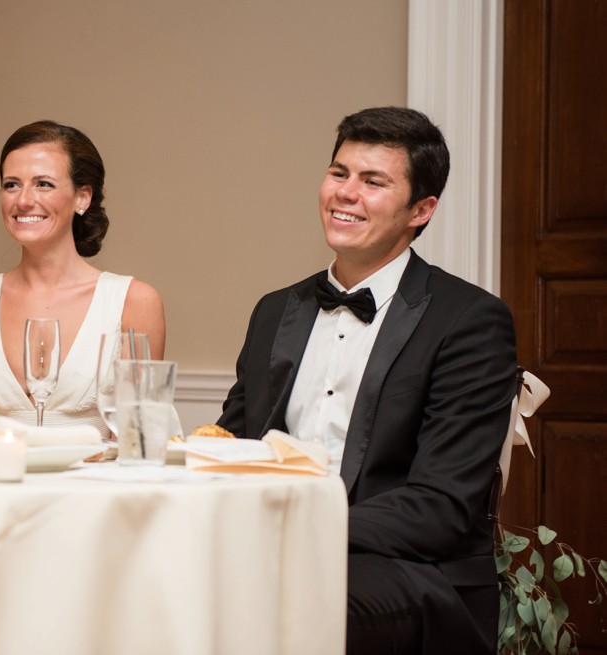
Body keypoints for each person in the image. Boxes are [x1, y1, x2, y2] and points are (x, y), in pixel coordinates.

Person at [217, 107, 516, 654]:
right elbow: (234, 446)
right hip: (273, 547)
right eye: (339, 173)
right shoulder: (274, 310)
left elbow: (441, 506)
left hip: (410, 570)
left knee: (278, 602)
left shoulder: (470, 320)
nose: (345, 193)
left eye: (373, 182)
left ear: (420, 210)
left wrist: (301, 529)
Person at [0, 120, 165, 439]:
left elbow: (137, 442)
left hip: (93, 487)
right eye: (11, 185)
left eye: (43, 184)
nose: (23, 200)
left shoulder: (134, 302)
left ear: (82, 198)